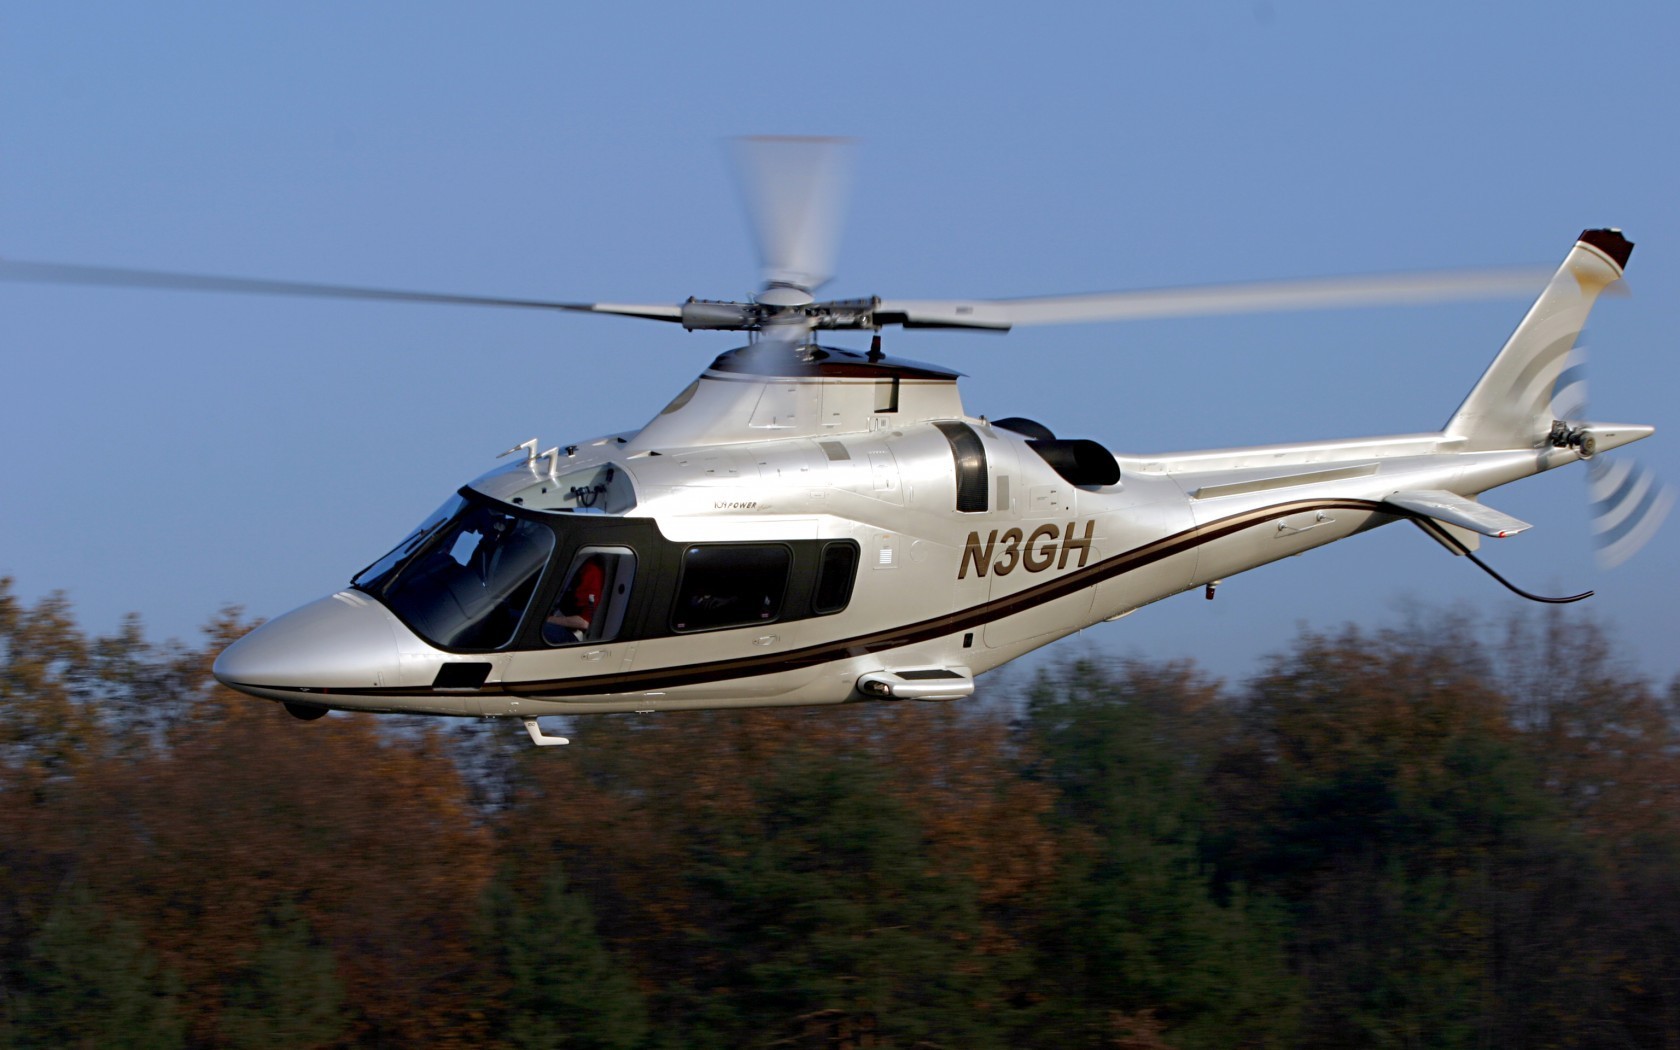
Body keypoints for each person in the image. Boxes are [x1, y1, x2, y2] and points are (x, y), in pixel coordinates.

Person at [543, 554, 605, 645]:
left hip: (573, 633)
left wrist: (547, 619)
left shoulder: (591, 572)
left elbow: (584, 622)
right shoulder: (565, 562)